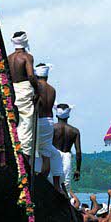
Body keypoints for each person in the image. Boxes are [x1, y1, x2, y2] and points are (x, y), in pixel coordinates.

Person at [8, 31, 39, 163]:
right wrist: (37, 90)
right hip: (24, 90)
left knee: (14, 121)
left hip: (13, 90)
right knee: (26, 124)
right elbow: (31, 75)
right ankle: (24, 161)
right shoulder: (27, 57)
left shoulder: (9, 58)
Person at [33, 63, 63, 193]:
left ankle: (40, 181)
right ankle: (45, 181)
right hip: (49, 121)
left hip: (38, 120)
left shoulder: (36, 88)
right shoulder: (52, 89)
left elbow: (37, 103)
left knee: (35, 151)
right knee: (46, 153)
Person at [52, 103, 81, 192]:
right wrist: (78, 170)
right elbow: (78, 152)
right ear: (68, 116)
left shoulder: (52, 128)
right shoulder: (74, 131)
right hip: (67, 158)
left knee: (52, 181)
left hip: (53, 156)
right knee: (65, 183)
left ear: (57, 115)